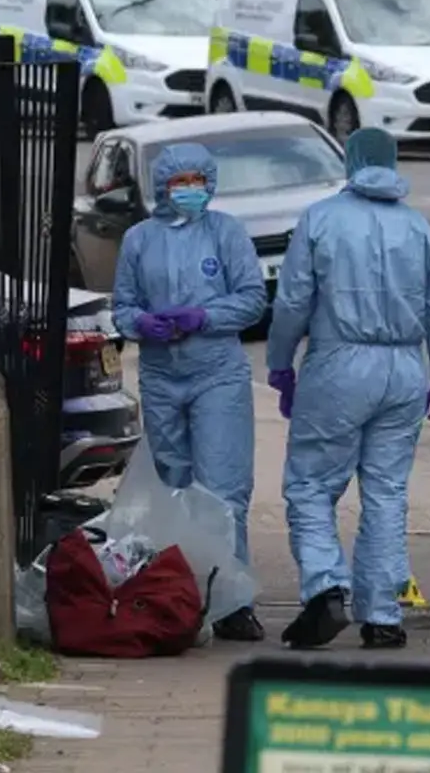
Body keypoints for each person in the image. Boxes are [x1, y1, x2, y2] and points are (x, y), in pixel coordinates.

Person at [266, 127, 430, 650]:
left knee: (311, 484)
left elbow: (292, 303)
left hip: (339, 363)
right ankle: (382, 615)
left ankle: (326, 585)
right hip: (404, 369)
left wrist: (281, 365)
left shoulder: (321, 219)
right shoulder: (417, 226)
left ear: (349, 162)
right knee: (386, 492)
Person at [111, 142, 268, 641]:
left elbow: (252, 299)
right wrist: (141, 323)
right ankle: (181, 596)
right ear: (163, 186)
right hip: (161, 376)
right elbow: (122, 305)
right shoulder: (139, 239)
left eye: (198, 181)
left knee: (222, 489)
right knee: (172, 486)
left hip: (216, 372)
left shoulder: (226, 233)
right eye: (180, 182)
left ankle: (232, 602)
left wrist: (205, 316)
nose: (189, 189)